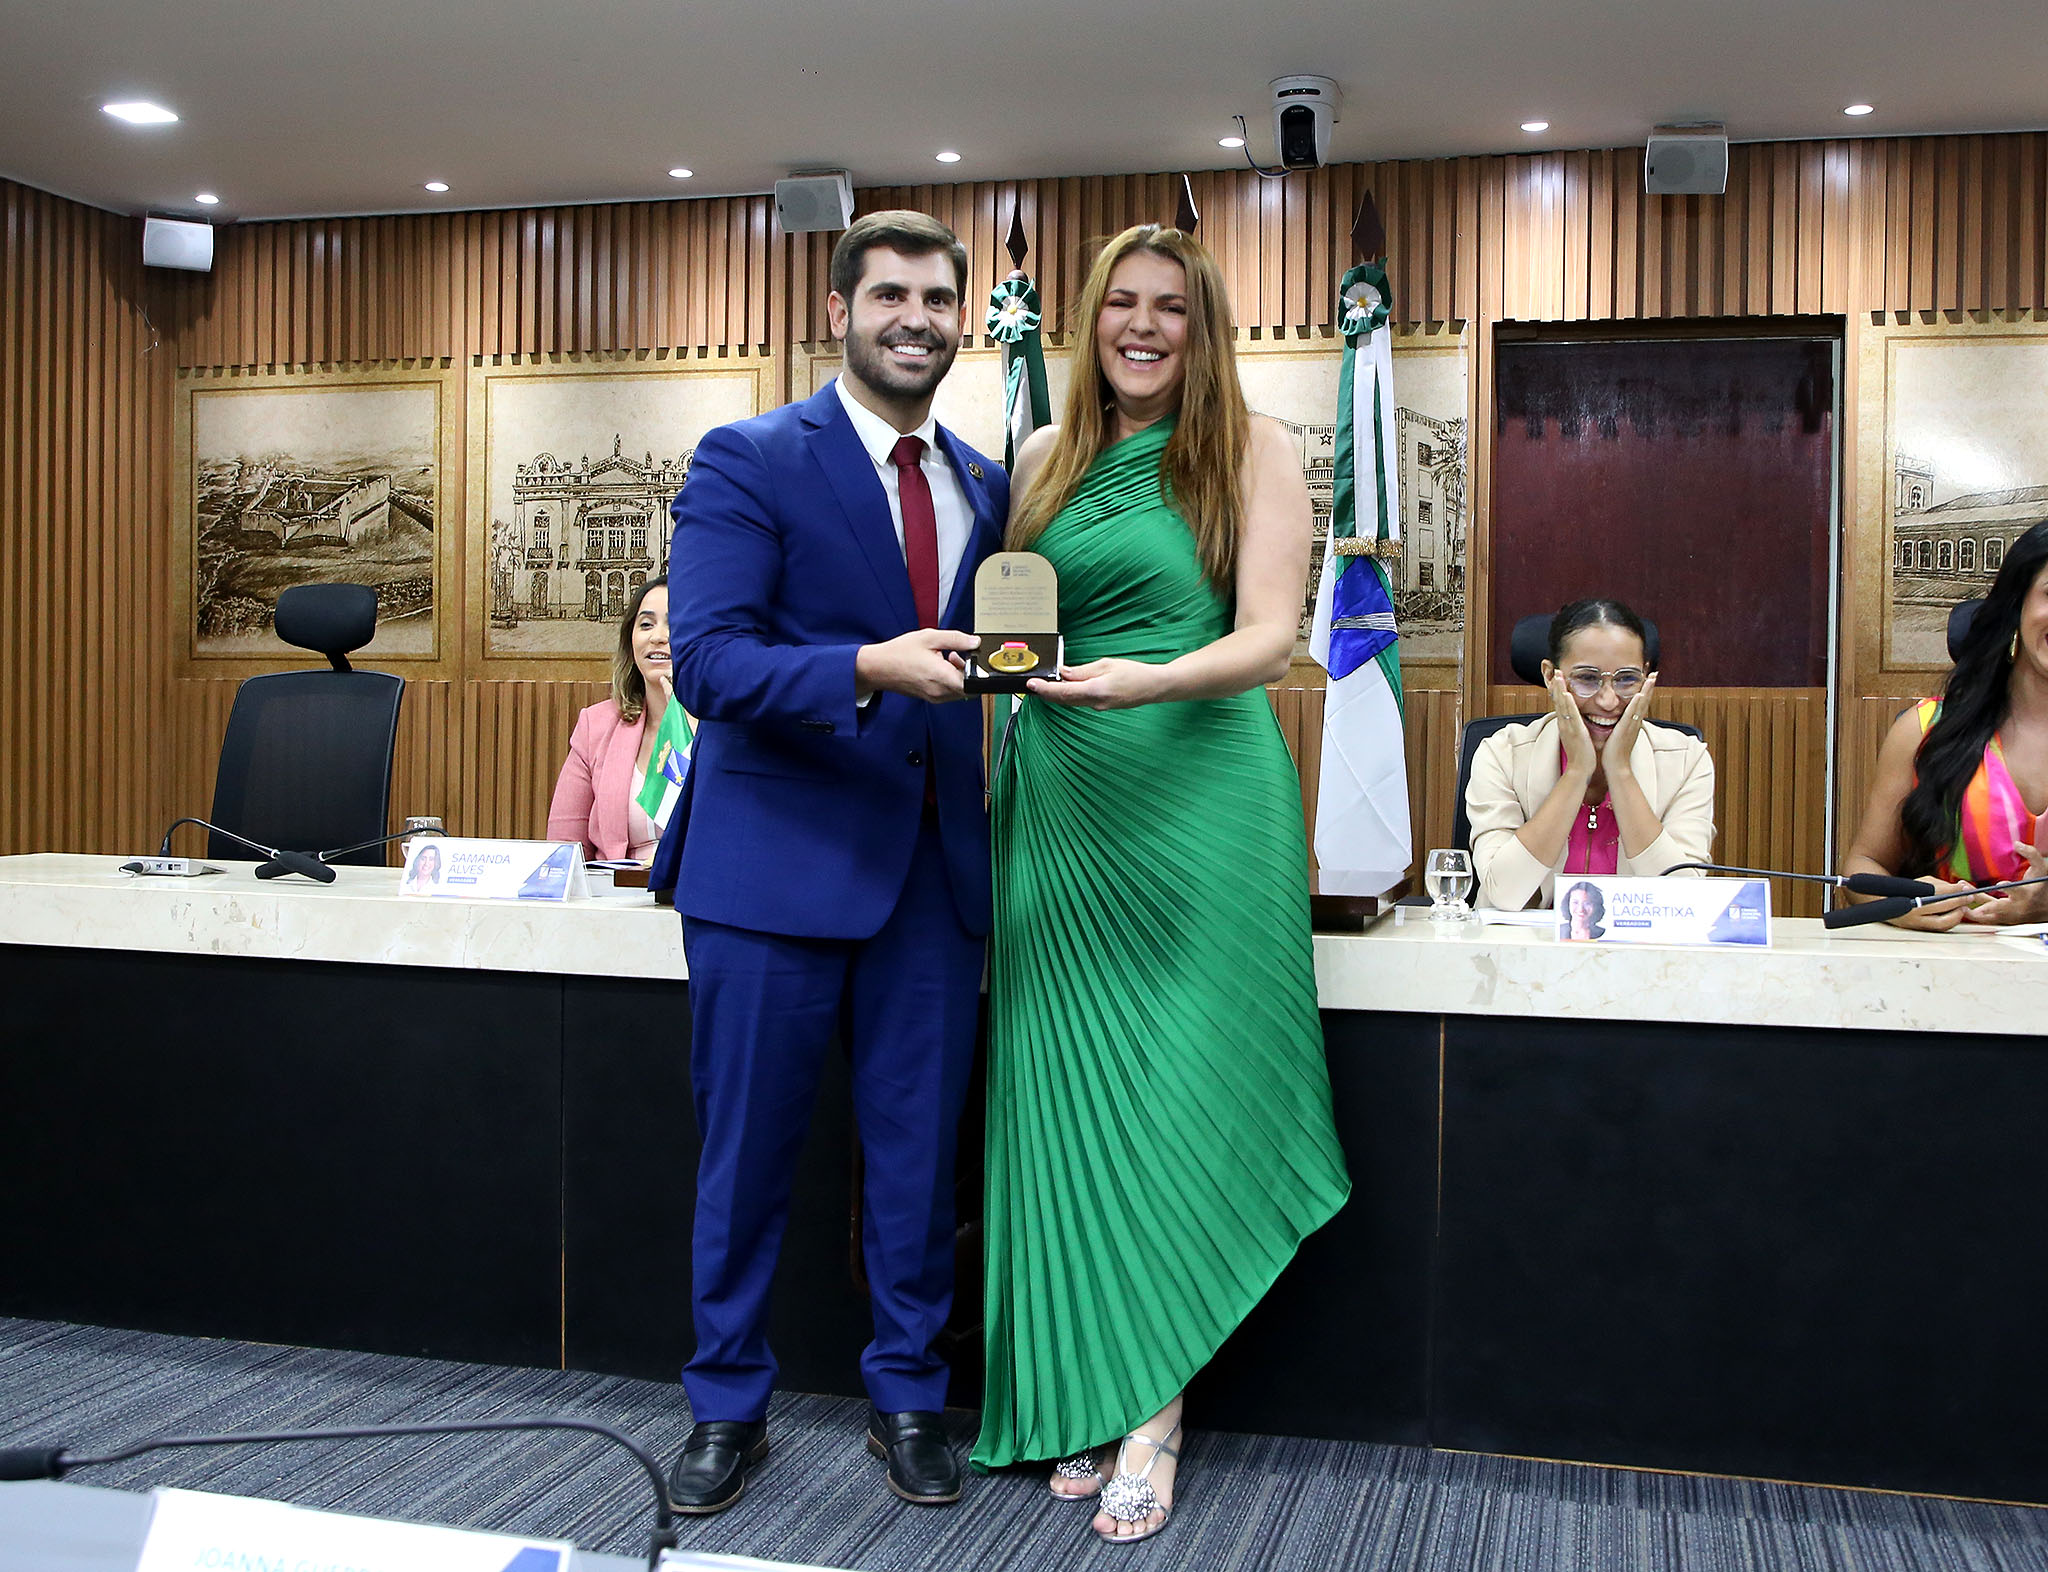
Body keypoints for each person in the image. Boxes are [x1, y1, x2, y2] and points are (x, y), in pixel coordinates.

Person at [972, 223, 1351, 1545]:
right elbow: (1018, 630)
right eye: (1120, 303)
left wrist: (1150, 680)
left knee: (1176, 1096)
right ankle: (1087, 1373)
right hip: (1059, 800)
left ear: (1205, 327)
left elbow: (1270, 641)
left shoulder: (1252, 448)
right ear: (1089, 319)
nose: (1141, 326)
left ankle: (1155, 1409)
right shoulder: (1040, 458)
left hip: (1199, 796)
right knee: (1066, 1096)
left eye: (1170, 308)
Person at [653, 210, 1008, 1515]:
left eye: (938, 299)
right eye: (890, 294)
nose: (916, 318)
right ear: (838, 311)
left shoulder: (990, 484)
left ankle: (908, 1395)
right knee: (745, 1158)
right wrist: (865, 666)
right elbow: (708, 663)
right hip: (769, 874)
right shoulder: (748, 458)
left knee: (917, 1165)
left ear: (961, 320)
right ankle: (724, 1405)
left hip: (933, 877)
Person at [1843, 520, 2048, 928]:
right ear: (2018, 604)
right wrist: (1906, 904)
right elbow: (1861, 869)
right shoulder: (1924, 730)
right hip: (1946, 959)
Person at [1466, 598, 1716, 910]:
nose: (1609, 701)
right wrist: (1576, 772)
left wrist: (1619, 770)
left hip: (1638, 941)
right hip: (1522, 941)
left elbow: (1681, 901)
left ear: (1646, 677)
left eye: (1626, 679)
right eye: (1587, 678)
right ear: (1550, 675)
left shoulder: (1686, 760)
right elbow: (1505, 895)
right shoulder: (1502, 754)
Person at [545, 576, 677, 863]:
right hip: (616, 888)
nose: (658, 636)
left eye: (675, 624)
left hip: (700, 888)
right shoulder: (596, 726)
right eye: (646, 624)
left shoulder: (727, 727)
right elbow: (564, 849)